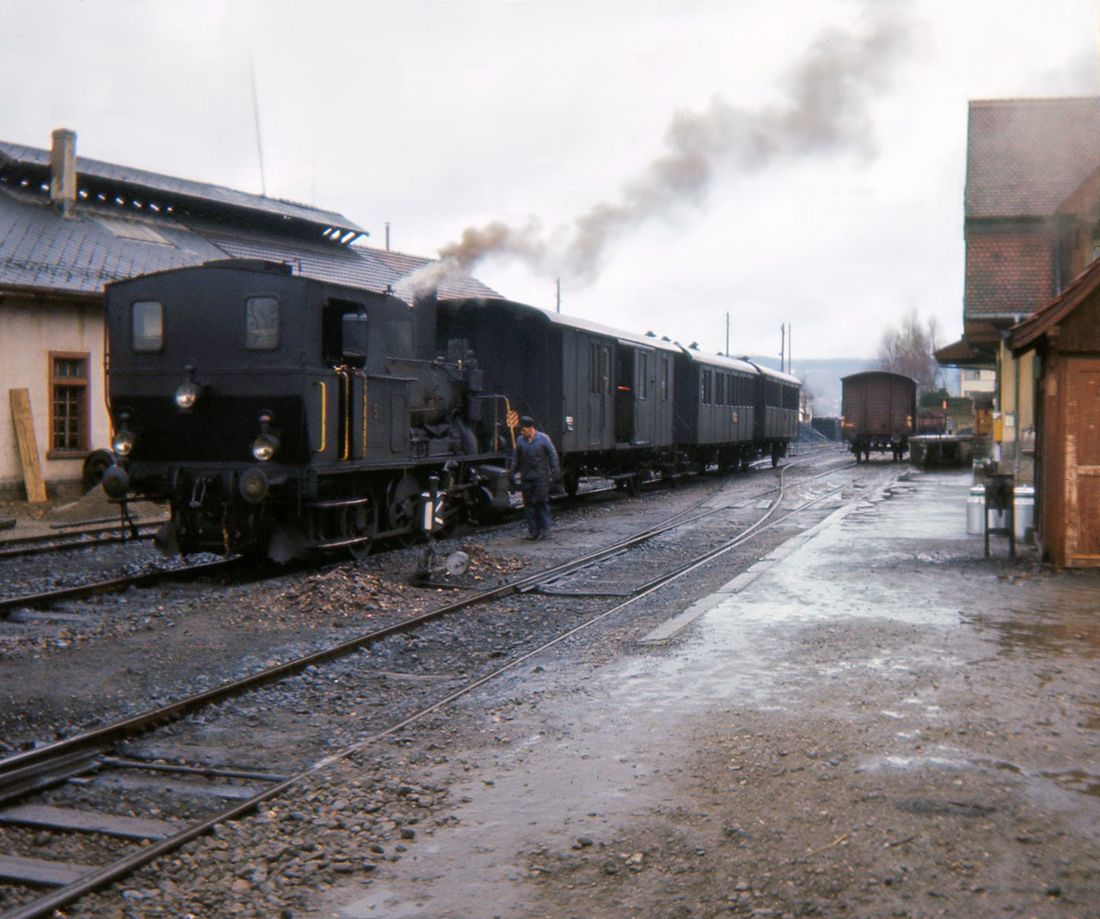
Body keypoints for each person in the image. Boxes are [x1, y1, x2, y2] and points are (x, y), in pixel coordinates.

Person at [509, 415, 561, 540]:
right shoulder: (521, 441)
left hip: (541, 477)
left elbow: (552, 455)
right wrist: (512, 472)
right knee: (528, 504)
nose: (522, 432)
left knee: (541, 502)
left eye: (524, 430)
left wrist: (555, 472)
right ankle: (533, 531)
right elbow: (516, 458)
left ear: (531, 428)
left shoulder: (544, 439)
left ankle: (545, 529)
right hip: (526, 477)